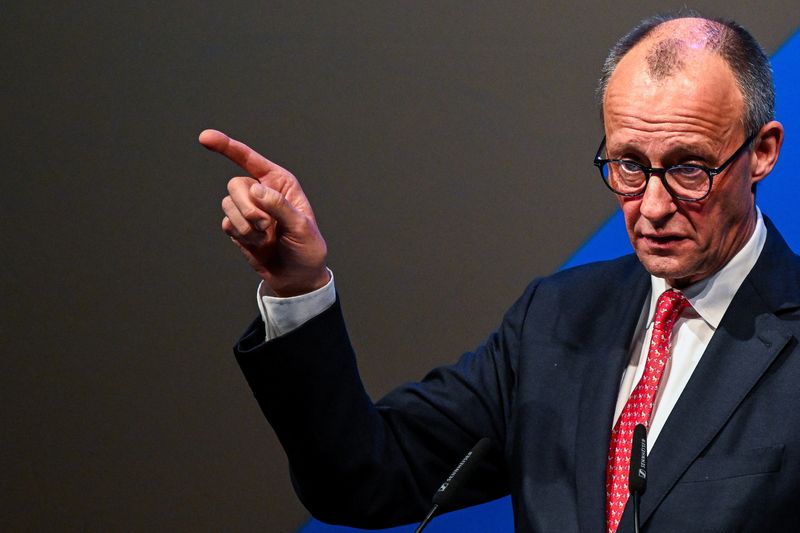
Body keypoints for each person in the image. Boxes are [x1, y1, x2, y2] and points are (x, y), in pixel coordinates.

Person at [199, 11, 800, 533]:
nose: (653, 205)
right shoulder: (556, 319)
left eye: (690, 169)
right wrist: (298, 288)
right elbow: (362, 475)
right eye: (628, 166)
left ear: (763, 153)